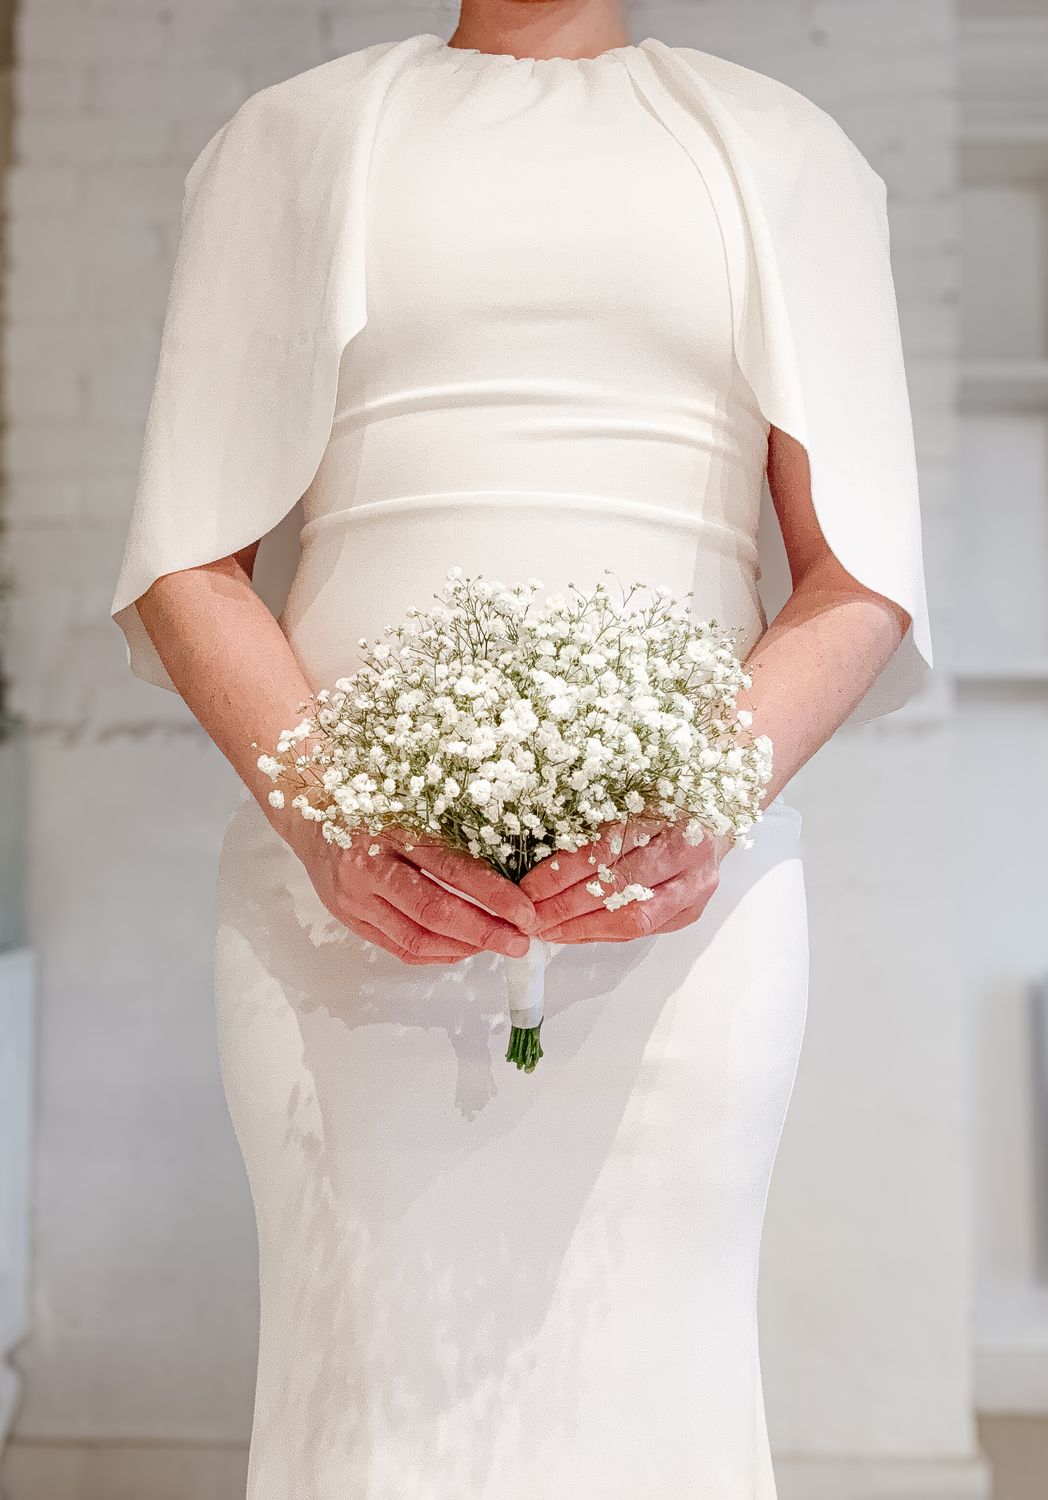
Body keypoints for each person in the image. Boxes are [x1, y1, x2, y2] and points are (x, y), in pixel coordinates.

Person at [110, 1, 932, 1494]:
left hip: (690, 922)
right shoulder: (293, 142)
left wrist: (699, 806)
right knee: (362, 1393)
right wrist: (336, 822)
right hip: (344, 912)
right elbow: (187, 560)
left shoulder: (782, 151)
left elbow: (860, 573)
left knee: (657, 1377)